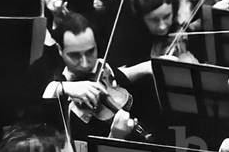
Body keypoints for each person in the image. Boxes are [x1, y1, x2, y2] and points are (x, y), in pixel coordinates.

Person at [21, 12, 141, 141]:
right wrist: (115, 136)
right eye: (74, 55)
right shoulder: (54, 87)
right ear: (60, 50)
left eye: (90, 52)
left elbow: (128, 75)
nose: (85, 64)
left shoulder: (103, 69)